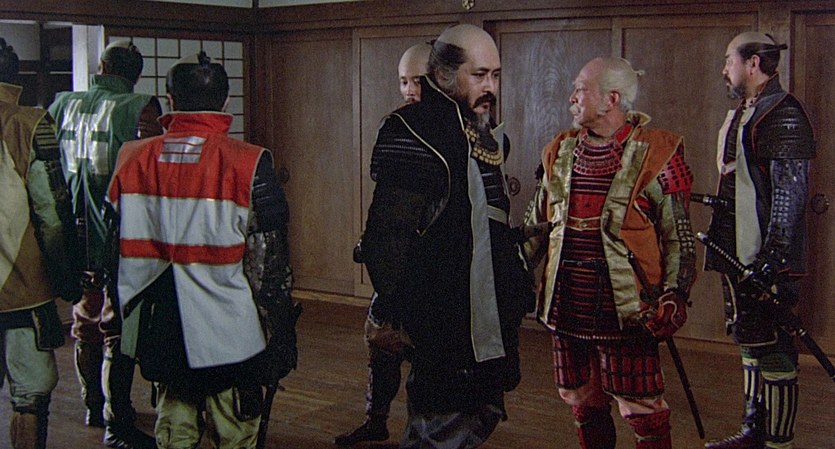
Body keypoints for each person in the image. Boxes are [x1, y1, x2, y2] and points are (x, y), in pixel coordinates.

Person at [105, 51, 297, 449]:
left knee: (174, 431)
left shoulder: (132, 157)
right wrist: (279, 332)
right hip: (230, 327)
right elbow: (269, 266)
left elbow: (113, 249)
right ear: (225, 102)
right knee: (236, 431)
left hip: (162, 320)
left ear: (170, 100)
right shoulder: (249, 162)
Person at [361, 24, 532, 449]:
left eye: (495, 75)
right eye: (479, 75)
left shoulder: (480, 129)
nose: (490, 87)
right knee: (438, 427)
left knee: (479, 413)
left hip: (488, 311)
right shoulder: (413, 130)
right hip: (442, 315)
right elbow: (388, 237)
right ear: (443, 74)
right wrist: (402, 314)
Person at [522, 57, 697, 449]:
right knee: (582, 400)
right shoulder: (559, 151)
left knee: (642, 409)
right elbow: (536, 227)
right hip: (567, 303)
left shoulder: (656, 153)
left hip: (629, 310)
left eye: (581, 89)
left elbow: (678, 236)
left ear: (611, 99)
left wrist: (675, 292)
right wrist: (511, 274)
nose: (572, 97)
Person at [702, 32, 815, 449]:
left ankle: (778, 442)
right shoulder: (745, 111)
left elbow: (789, 194)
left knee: (776, 347)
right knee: (750, 337)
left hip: (767, 259)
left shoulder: (784, 114)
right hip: (737, 252)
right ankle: (754, 431)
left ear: (753, 64)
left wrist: (771, 260)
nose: (724, 70)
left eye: (729, 60)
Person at [48, 40, 162, 449]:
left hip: (69, 231)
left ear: (101, 66)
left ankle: (92, 406)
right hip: (119, 232)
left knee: (85, 317)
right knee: (118, 325)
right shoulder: (140, 107)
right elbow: (152, 173)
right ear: (136, 75)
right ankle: (118, 418)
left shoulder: (62, 104)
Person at [334, 41, 432, 447]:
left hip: (438, 259)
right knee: (380, 341)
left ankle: (424, 431)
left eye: (418, 81)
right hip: (396, 251)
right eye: (403, 81)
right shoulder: (397, 126)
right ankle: (376, 418)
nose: (409, 90)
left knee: (430, 354)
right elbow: (387, 198)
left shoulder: (461, 128)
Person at [0, 38, 81, 449]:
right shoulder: (28, 123)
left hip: (20, 287)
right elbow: (52, 213)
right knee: (29, 395)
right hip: (22, 287)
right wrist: (68, 279)